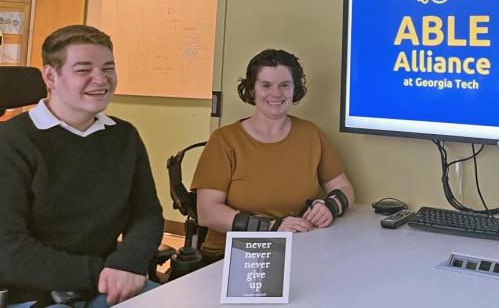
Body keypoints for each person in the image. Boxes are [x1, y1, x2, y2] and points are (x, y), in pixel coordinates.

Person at [0, 25, 164, 308]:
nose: (100, 79)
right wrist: (103, 273)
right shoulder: (12, 142)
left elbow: (146, 213)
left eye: (108, 68)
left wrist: (128, 262)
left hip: (106, 285)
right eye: (83, 69)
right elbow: (8, 250)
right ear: (50, 76)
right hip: (33, 292)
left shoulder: (124, 136)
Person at [191, 49, 355, 259]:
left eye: (284, 85)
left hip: (297, 248)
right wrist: (270, 227)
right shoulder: (224, 140)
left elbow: (344, 187)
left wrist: (330, 207)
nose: (276, 93)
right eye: (266, 85)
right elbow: (207, 212)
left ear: (295, 89)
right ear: (252, 90)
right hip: (233, 255)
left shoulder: (311, 134)